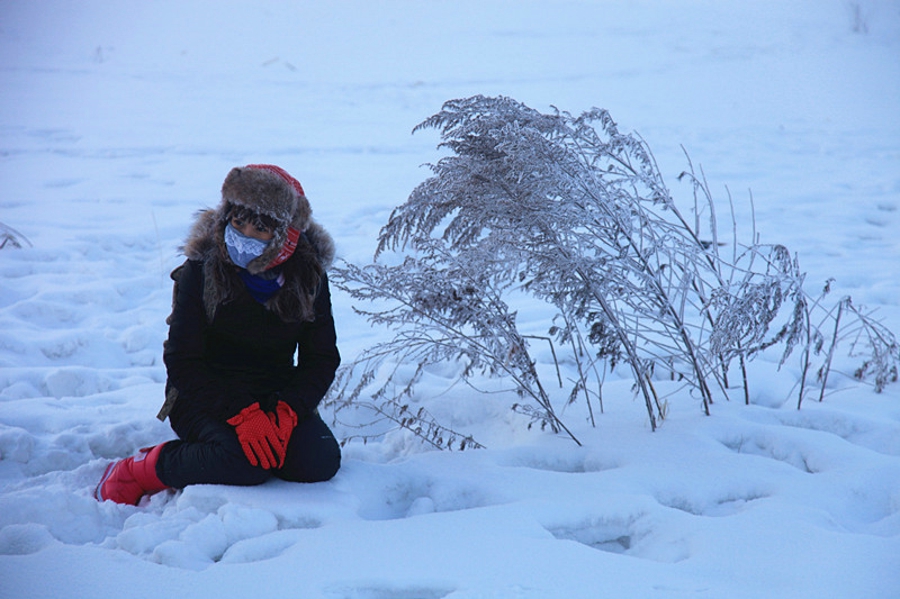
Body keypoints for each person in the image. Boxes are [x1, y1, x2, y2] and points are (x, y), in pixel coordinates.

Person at [95, 164, 342, 505]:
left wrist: (288, 410)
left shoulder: (308, 277)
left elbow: (321, 358)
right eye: (238, 222)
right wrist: (242, 414)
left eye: (260, 229)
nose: (244, 236)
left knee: (318, 461)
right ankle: (141, 468)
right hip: (202, 394)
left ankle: (231, 448)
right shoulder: (202, 269)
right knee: (245, 464)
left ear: (286, 236)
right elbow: (183, 360)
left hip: (273, 394)